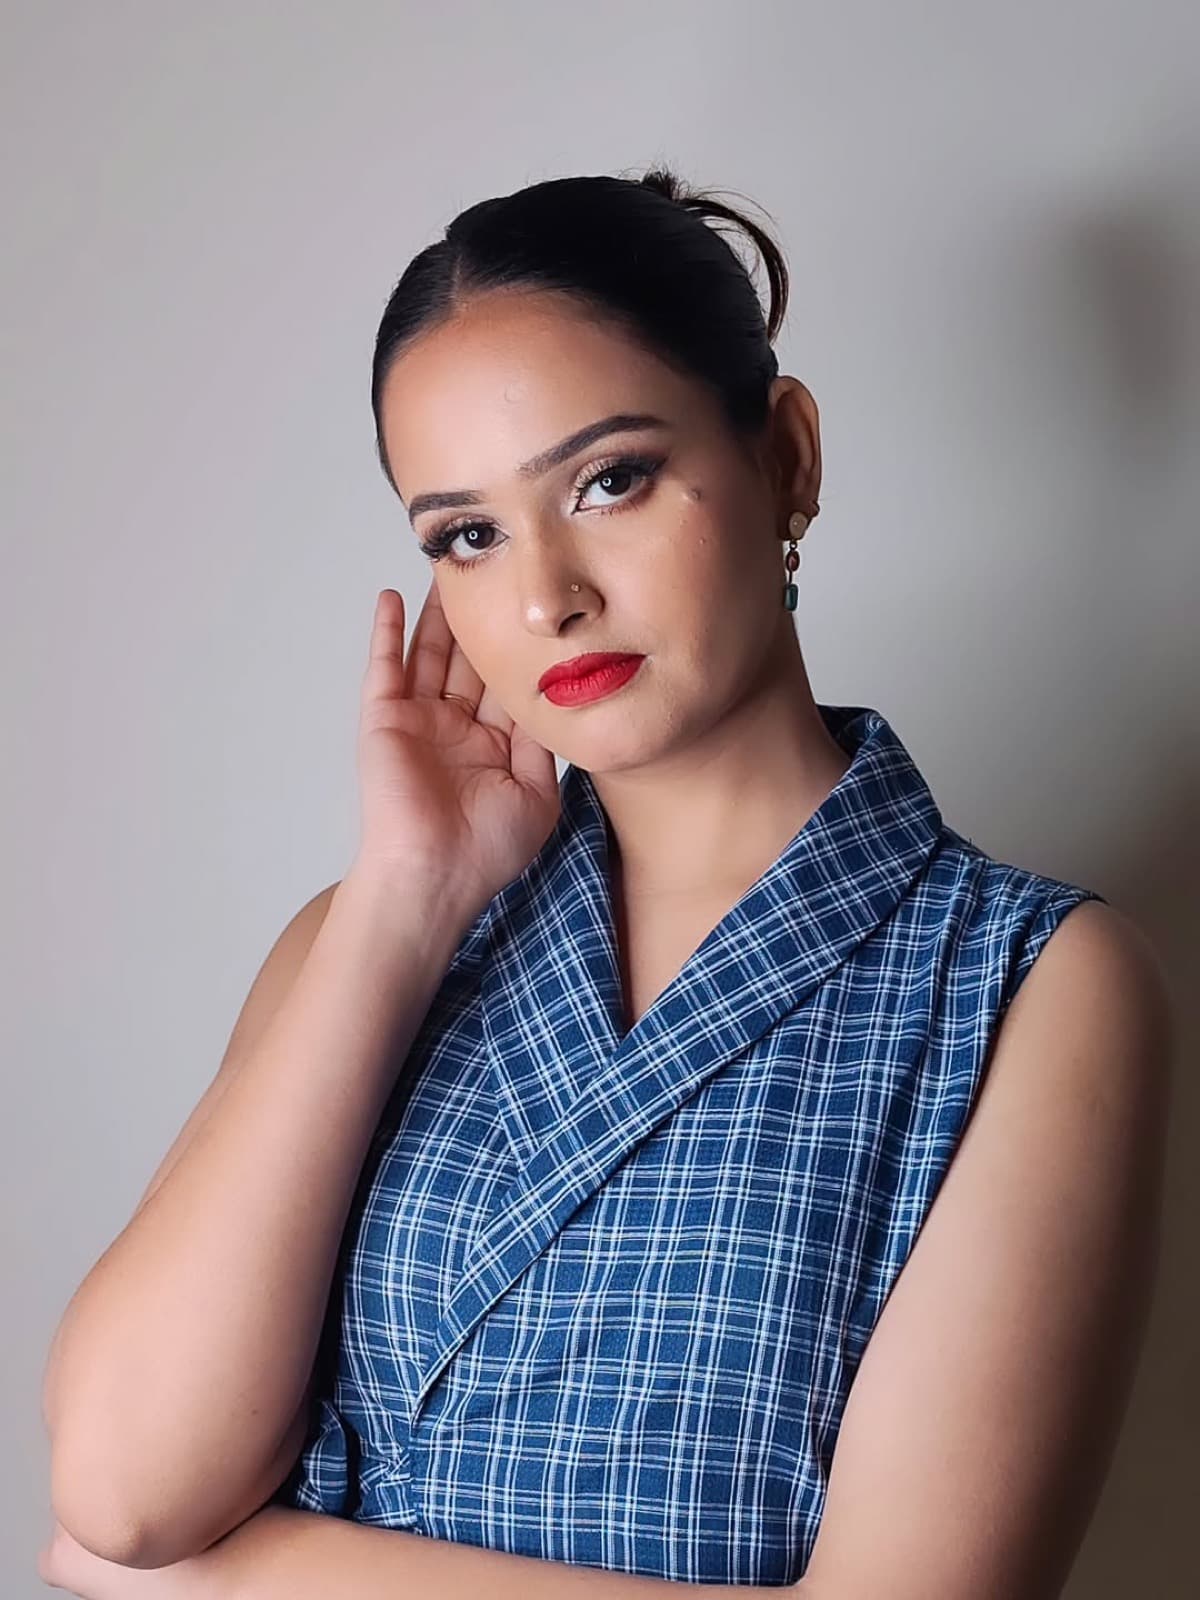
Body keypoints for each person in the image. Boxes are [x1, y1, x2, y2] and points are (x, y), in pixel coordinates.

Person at [42, 168, 1172, 1596]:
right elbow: (123, 1490)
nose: (545, 596)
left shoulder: (1031, 985)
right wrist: (406, 894)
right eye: (468, 534)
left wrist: (236, 1579)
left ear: (788, 458)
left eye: (609, 480)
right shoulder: (374, 939)